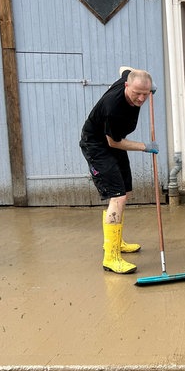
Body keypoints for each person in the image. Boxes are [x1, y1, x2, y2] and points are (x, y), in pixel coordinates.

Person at [79, 67, 157, 274]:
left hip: (114, 142)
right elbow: (113, 142)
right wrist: (144, 147)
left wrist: (148, 85)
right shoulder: (113, 107)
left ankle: (116, 240)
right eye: (137, 93)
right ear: (126, 86)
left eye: (145, 94)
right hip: (98, 146)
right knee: (117, 196)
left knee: (126, 192)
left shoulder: (127, 78)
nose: (141, 98)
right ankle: (111, 257)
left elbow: (125, 69)